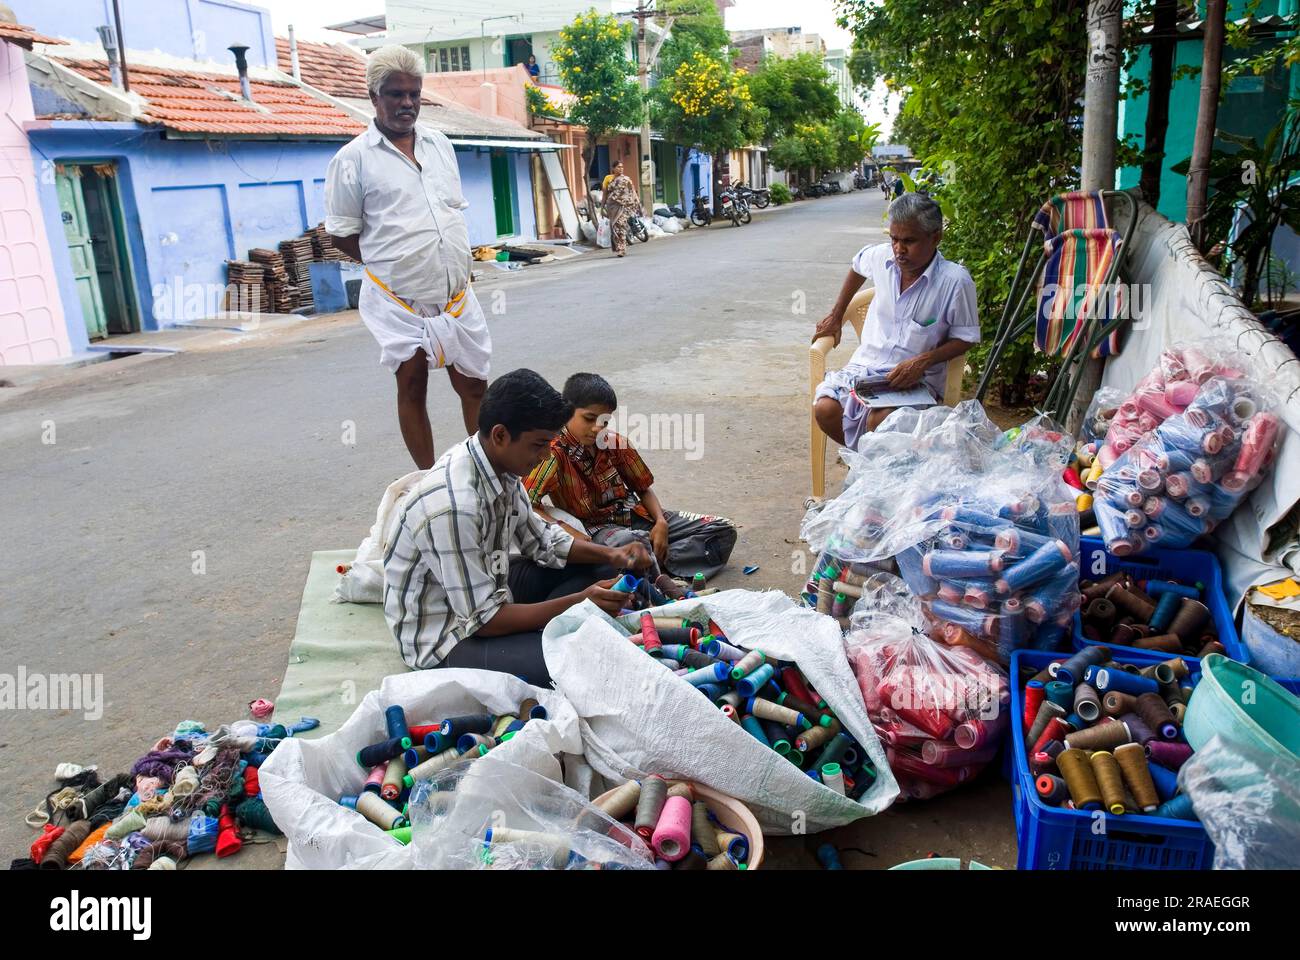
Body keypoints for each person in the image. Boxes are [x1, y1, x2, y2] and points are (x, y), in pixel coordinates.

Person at [382, 369, 653, 684]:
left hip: (491, 589)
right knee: (572, 663)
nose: (546, 455)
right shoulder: (454, 506)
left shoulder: (502, 466)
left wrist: (613, 555)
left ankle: (554, 624)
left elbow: (544, 543)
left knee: (603, 573)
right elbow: (483, 620)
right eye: (539, 445)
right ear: (500, 435)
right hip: (445, 637)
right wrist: (580, 601)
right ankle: (549, 632)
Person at [325, 45, 488, 470]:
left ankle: (489, 479)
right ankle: (430, 483)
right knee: (412, 387)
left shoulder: (440, 146)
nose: (407, 103)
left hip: (456, 293)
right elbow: (343, 235)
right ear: (374, 97)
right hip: (398, 299)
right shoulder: (353, 159)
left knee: (475, 387)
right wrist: (393, 262)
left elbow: (452, 211)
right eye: (396, 94)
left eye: (414, 93)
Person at [524, 373, 738, 585]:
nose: (597, 428)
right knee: (632, 542)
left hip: (636, 515)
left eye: (604, 421)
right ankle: (659, 573)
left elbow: (643, 488)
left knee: (722, 528)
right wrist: (568, 531)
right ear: (567, 412)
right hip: (599, 530)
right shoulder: (552, 453)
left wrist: (661, 523)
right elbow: (530, 504)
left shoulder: (616, 443)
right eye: (589, 419)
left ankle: (658, 567)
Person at [812, 192, 980, 450]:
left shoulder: (955, 281)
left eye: (909, 241)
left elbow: (966, 338)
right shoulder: (882, 257)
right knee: (825, 408)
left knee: (883, 420)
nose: (899, 250)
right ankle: (867, 465)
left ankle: (868, 471)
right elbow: (857, 266)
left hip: (916, 380)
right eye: (894, 239)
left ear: (935, 237)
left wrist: (923, 360)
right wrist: (836, 316)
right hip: (865, 368)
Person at [602, 161, 639, 258]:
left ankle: (622, 249)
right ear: (613, 168)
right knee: (615, 227)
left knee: (621, 225)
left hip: (624, 206)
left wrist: (636, 201)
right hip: (612, 207)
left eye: (622, 167)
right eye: (618, 167)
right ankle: (618, 247)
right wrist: (602, 207)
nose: (621, 169)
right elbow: (605, 193)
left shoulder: (626, 179)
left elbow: (632, 190)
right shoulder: (608, 179)